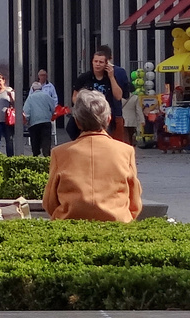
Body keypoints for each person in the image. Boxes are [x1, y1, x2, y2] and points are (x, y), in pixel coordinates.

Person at [43, 90, 143, 221]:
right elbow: (134, 200)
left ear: (77, 122)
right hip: (117, 224)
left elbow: (50, 202)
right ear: (108, 119)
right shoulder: (126, 151)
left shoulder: (59, 153)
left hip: (69, 224)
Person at [72, 45, 134, 143]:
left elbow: (119, 96)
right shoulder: (85, 77)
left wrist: (111, 77)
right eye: (95, 61)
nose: (97, 64)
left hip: (109, 115)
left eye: (101, 62)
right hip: (89, 116)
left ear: (107, 63)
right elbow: (75, 96)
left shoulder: (113, 76)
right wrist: (82, 106)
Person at [22, 80, 57, 156]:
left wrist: (26, 121)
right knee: (46, 140)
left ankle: (36, 156)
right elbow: (53, 108)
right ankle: (46, 156)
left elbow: (26, 112)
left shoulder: (30, 98)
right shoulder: (47, 96)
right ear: (41, 88)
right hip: (46, 121)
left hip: (34, 123)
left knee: (35, 141)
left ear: (33, 89)